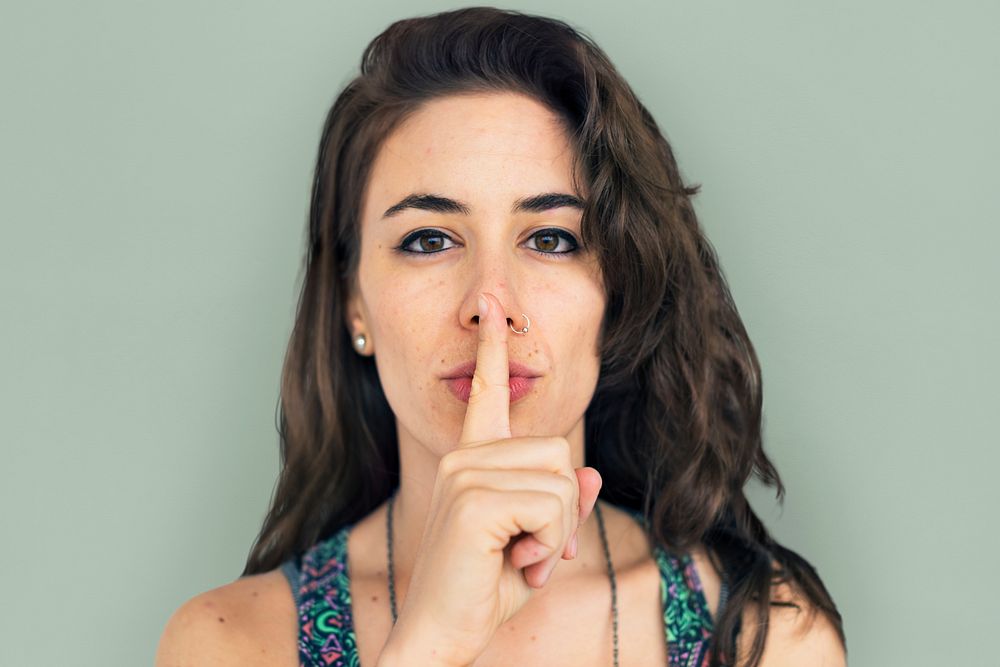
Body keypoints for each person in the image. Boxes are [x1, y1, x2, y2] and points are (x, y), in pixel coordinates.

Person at [156, 7, 846, 667]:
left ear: (620, 294)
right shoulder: (228, 642)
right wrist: (427, 643)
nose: (492, 305)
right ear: (353, 303)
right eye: (428, 240)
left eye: (551, 238)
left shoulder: (766, 637)